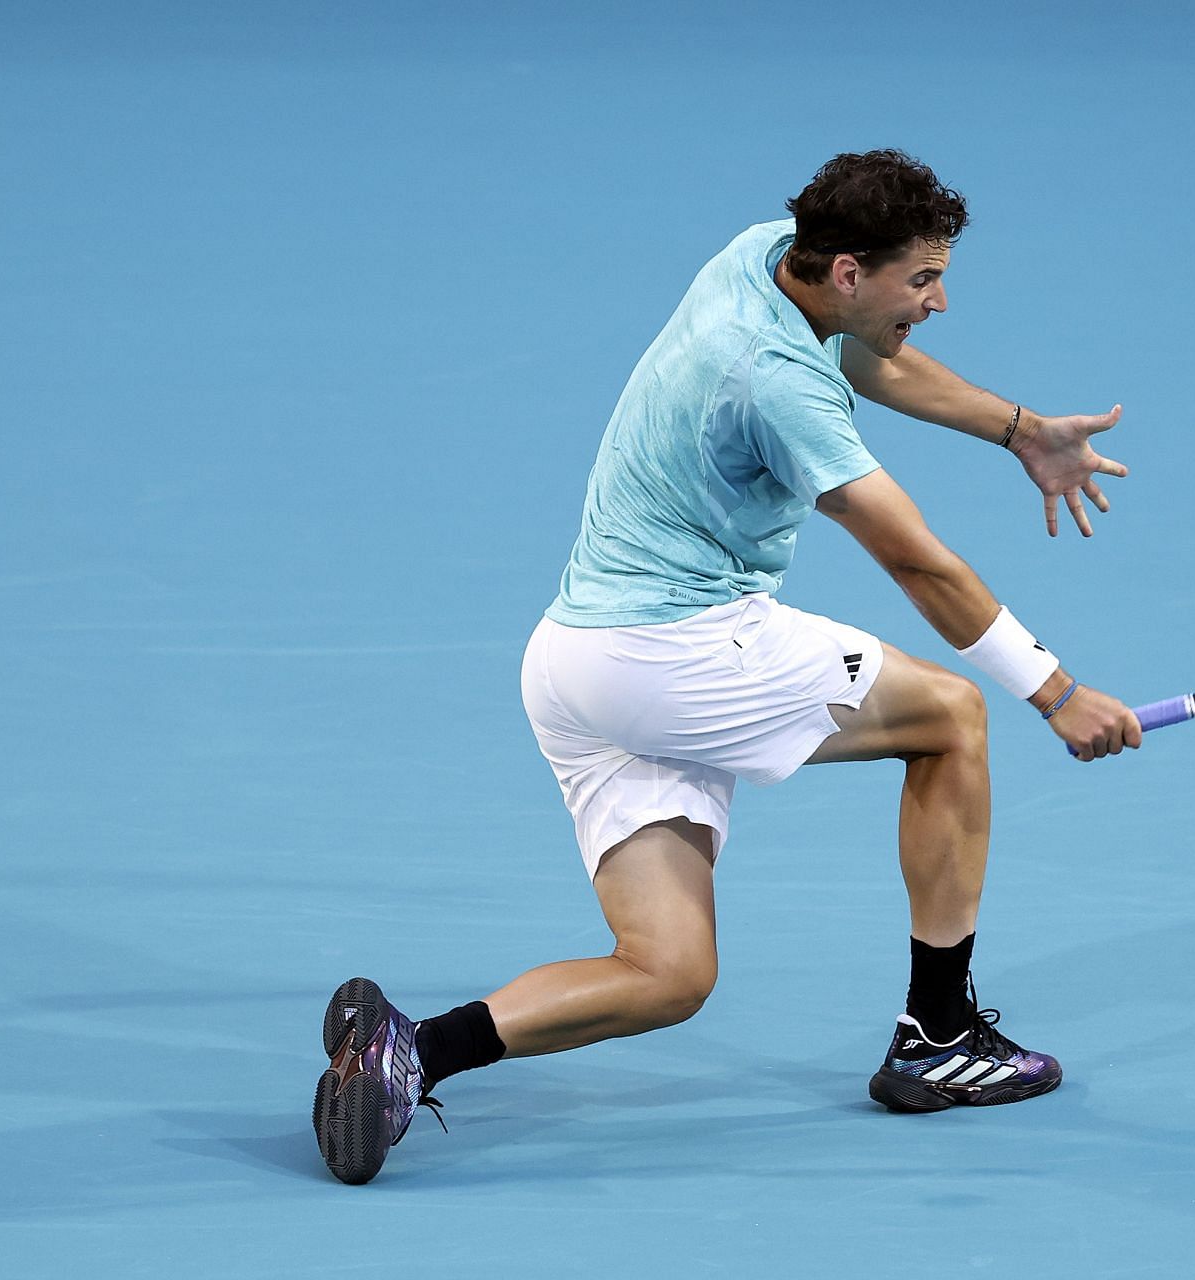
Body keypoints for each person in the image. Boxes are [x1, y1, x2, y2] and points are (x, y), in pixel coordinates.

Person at [313, 150, 1141, 1185]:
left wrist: (1019, 429)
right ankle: (940, 1035)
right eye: (921, 279)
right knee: (952, 716)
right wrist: (1056, 691)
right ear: (848, 270)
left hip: (571, 663)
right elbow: (915, 556)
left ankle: (406, 1051)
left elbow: (872, 358)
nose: (938, 299)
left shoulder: (763, 256)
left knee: (668, 972)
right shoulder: (775, 380)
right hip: (676, 652)